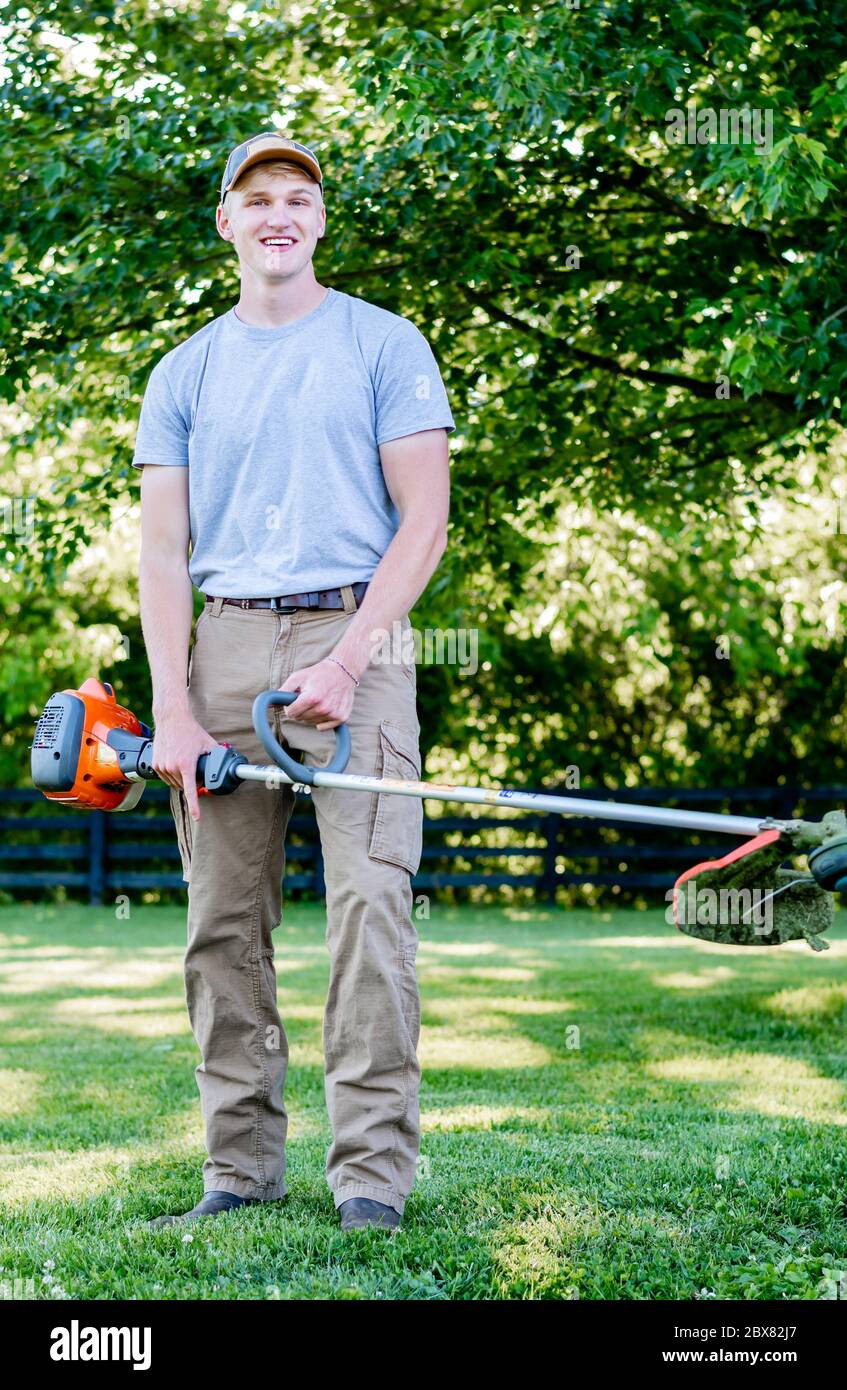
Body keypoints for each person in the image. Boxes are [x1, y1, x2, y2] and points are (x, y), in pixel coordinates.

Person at [132, 132, 454, 1232]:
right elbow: (163, 552)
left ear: (321, 220)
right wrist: (173, 706)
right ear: (225, 220)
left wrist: (351, 655)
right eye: (258, 197)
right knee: (222, 922)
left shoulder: (383, 343)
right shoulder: (182, 371)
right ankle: (239, 1171)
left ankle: (369, 1179)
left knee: (369, 907)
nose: (280, 213)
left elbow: (425, 519)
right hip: (223, 649)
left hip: (355, 635)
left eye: (300, 197)